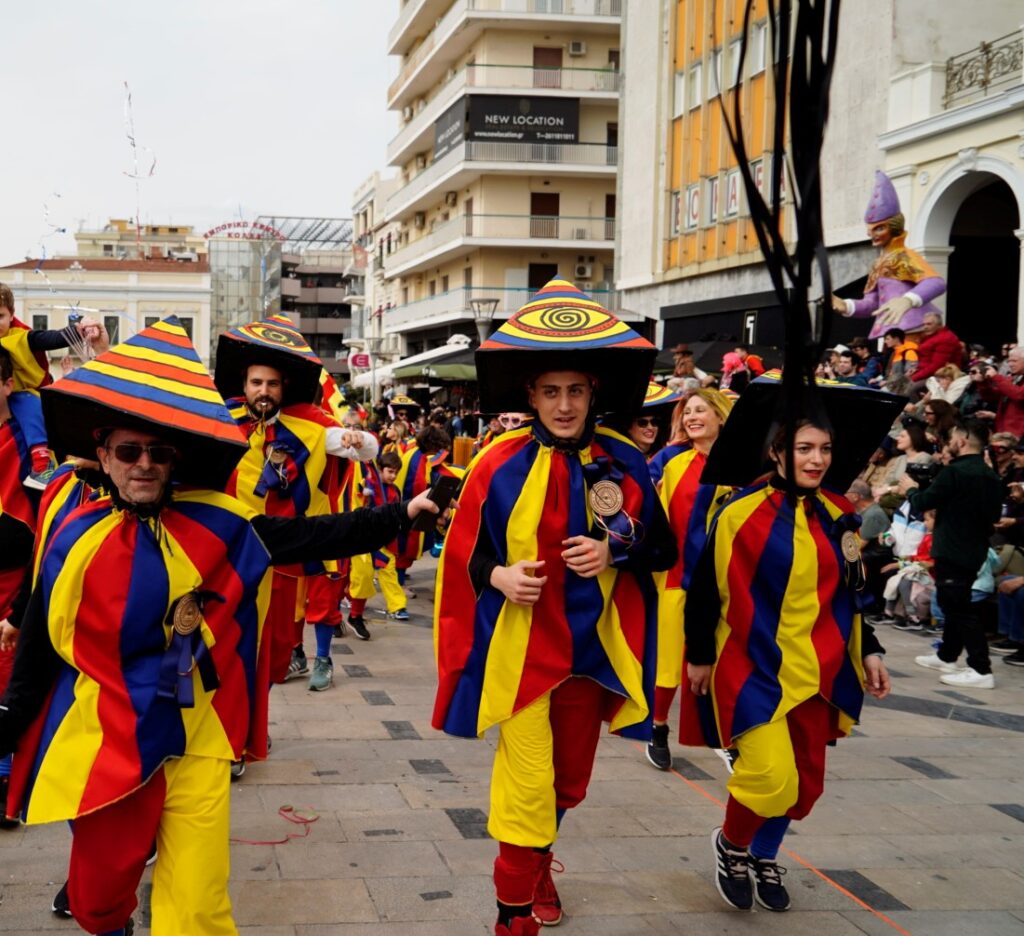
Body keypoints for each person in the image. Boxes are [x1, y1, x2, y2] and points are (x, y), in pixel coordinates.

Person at [0, 318, 446, 936]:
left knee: (201, 908)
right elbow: (43, 643)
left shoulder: (219, 522)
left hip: (196, 732)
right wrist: (9, 719)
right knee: (98, 902)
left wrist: (400, 513)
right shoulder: (72, 527)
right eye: (129, 451)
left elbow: (309, 535)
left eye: (160, 452)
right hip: (103, 737)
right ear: (102, 454)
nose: (145, 465)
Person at [432, 280, 676, 936]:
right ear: (531, 395)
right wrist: (502, 575)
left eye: (576, 390)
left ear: (594, 392)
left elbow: (662, 548)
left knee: (567, 788)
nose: (564, 405)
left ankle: (540, 858)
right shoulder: (495, 464)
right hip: (519, 654)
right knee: (526, 789)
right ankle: (513, 917)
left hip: (589, 655)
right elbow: (462, 557)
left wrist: (615, 556)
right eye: (551, 391)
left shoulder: (626, 458)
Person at [682, 418, 891, 913]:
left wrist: (870, 649)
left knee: (804, 784)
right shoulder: (738, 510)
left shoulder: (841, 512)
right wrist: (699, 655)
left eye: (825, 448)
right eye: (804, 448)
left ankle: (765, 854)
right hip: (750, 664)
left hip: (820, 669)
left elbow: (853, 592)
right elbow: (705, 589)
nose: (817, 460)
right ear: (777, 453)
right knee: (770, 776)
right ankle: (732, 844)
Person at [216, 315, 378, 700]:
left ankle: (310, 664)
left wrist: (359, 439)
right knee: (231, 647)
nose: (264, 391)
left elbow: (367, 449)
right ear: (244, 385)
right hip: (233, 551)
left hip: (291, 550)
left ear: (283, 386)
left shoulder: (309, 424)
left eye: (272, 383)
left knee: (276, 647)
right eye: (257, 383)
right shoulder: (220, 419)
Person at [645, 389, 733, 771]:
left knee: (725, 657)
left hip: (727, 581)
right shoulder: (670, 459)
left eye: (701, 410)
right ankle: (658, 726)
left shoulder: (742, 464)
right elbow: (643, 501)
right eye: (688, 412)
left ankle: (730, 734)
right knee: (668, 659)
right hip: (674, 575)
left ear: (720, 415)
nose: (692, 417)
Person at [899, 419, 1003, 688]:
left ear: (962, 441)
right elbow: (993, 517)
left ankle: (981, 669)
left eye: (953, 438)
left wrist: (909, 488)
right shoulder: (990, 475)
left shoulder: (955, 472)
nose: (949, 444)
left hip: (953, 548)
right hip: (974, 549)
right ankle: (947, 655)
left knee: (958, 606)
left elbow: (923, 503)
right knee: (955, 602)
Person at [0, 285, 108, 488]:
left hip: (26, 394)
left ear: (11, 315)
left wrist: (78, 331)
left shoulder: (21, 336)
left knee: (28, 405)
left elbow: (50, 338)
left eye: (0, 316)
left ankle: (41, 463)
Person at [832, 171, 946, 339]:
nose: (873, 234)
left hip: (915, 330)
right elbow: (872, 305)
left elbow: (936, 282)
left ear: (893, 227)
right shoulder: (878, 264)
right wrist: (845, 305)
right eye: (871, 229)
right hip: (894, 335)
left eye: (879, 228)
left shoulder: (904, 256)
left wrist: (907, 300)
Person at [909, 313, 963, 398]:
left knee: (908, 388)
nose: (925, 327)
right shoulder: (930, 336)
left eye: (929, 324)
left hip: (941, 376)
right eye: (924, 324)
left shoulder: (945, 338)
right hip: (927, 373)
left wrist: (914, 377)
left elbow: (937, 366)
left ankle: (914, 410)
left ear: (939, 325)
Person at [977, 346, 1024, 437]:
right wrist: (983, 383)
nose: (1010, 364)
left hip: (1019, 434)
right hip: (1003, 430)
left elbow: (1019, 395)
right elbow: (992, 397)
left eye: (1014, 361)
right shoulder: (1012, 378)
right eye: (1008, 361)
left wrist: (996, 377)